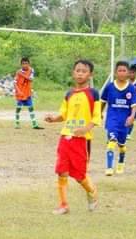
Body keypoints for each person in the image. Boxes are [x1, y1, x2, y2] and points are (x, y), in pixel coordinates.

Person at [44, 60, 101, 215]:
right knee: (61, 171)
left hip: (82, 140)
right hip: (65, 137)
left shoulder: (93, 94)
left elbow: (97, 117)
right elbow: (64, 114)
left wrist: (85, 129)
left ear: (90, 75)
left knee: (79, 175)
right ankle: (63, 205)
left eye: (84, 71)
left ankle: (92, 192)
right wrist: (53, 119)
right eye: (77, 70)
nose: (80, 73)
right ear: (73, 73)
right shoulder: (69, 94)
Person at [101, 61, 136, 176]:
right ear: (115, 72)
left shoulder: (131, 88)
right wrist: (99, 113)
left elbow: (134, 105)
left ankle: (121, 161)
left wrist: (132, 117)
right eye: (119, 70)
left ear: (128, 73)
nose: (122, 73)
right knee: (111, 141)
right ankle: (109, 168)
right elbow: (103, 102)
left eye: (124, 71)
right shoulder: (110, 87)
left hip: (124, 121)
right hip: (112, 119)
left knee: (121, 145)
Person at [14, 57, 43, 129]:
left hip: (27, 93)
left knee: (31, 108)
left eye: (26, 63)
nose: (25, 65)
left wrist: (21, 74)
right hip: (20, 93)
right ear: (21, 65)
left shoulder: (31, 70)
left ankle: (34, 124)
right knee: (18, 108)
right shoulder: (18, 72)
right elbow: (14, 83)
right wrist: (19, 91)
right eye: (23, 64)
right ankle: (17, 123)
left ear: (29, 64)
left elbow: (31, 79)